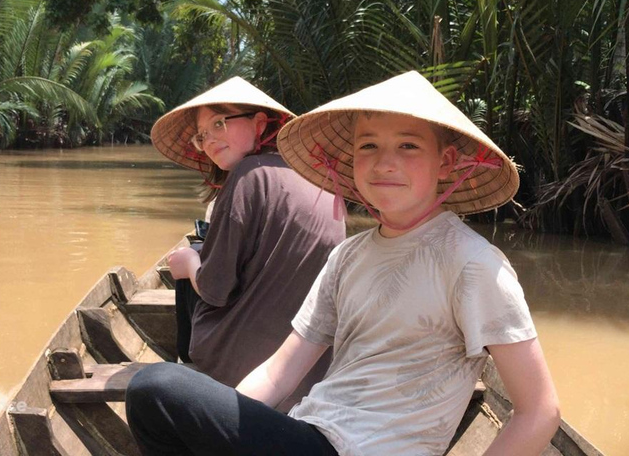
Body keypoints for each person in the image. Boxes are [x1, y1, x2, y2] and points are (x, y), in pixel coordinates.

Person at [126, 71, 561, 456]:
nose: (385, 162)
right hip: (311, 430)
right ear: (351, 161)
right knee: (171, 405)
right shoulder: (347, 256)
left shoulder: (472, 262)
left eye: (408, 145)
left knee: (155, 388)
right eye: (368, 145)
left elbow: (539, 411)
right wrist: (225, 431)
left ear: (445, 162)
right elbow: (279, 374)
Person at [149, 77, 345, 403]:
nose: (209, 138)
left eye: (219, 123)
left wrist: (191, 264)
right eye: (202, 135)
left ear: (259, 122)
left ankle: (189, 363)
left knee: (188, 259)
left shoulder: (248, 175)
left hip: (248, 364)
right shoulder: (318, 174)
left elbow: (215, 289)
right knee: (200, 252)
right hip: (311, 364)